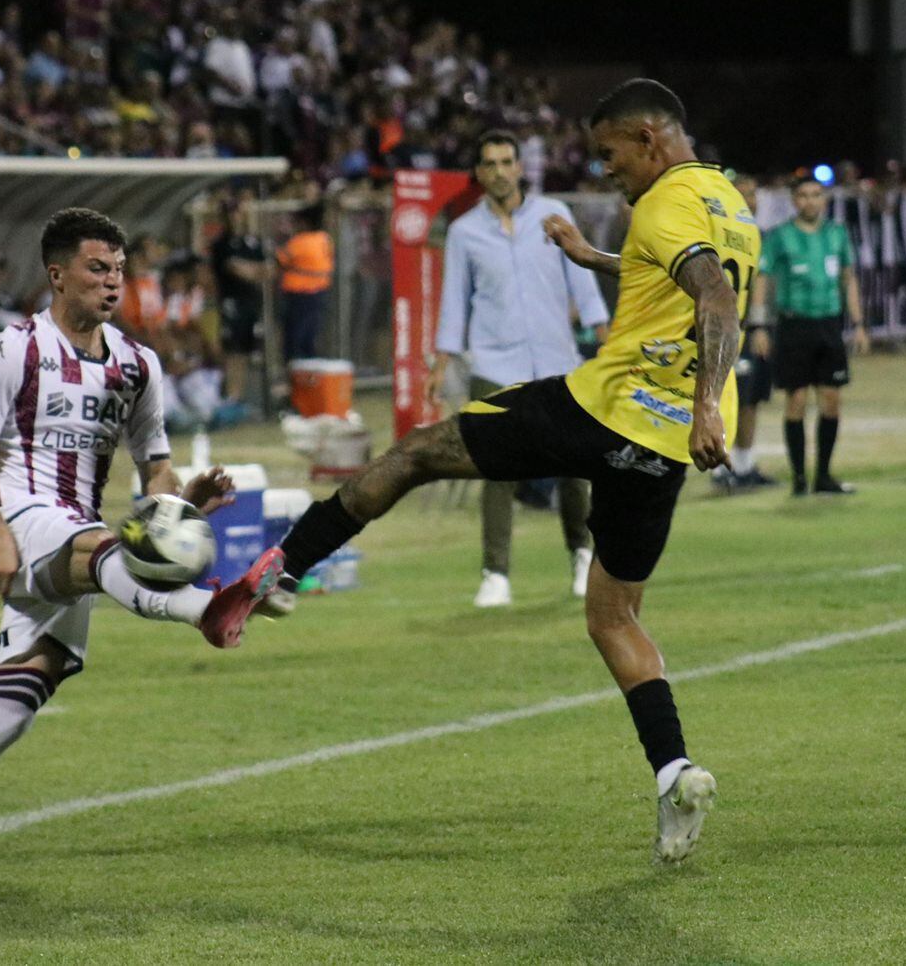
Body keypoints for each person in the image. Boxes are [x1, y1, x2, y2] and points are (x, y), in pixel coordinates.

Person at [260, 79, 753, 864]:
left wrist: (709, 409)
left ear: (648, 140)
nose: (606, 170)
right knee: (614, 618)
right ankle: (675, 773)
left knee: (418, 451)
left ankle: (283, 568)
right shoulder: (729, 202)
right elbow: (677, 275)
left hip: (606, 406)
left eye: (611, 154)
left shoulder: (661, 203)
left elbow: (714, 300)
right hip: (660, 450)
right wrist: (591, 258)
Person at [0, 207, 283, 875]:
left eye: (119, 270)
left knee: (8, 713)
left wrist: (181, 503)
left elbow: (155, 470)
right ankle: (207, 609)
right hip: (23, 521)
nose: (113, 281)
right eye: (97, 269)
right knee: (99, 547)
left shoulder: (137, 365)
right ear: (57, 275)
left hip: (78, 542)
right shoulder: (14, 349)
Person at [429, 129, 608, 607]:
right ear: (478, 172)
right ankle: (495, 574)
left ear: (520, 167)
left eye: (507, 162)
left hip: (557, 358)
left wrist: (604, 335)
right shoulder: (464, 232)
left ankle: (582, 556)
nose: (500, 172)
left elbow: (583, 279)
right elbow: (454, 302)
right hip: (493, 362)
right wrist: (441, 362)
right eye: (490, 164)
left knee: (575, 464)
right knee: (496, 468)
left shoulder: (555, 215)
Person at [751, 177, 869, 496]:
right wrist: (759, 326)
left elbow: (848, 278)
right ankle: (799, 478)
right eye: (803, 195)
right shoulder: (780, 236)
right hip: (794, 325)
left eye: (816, 195)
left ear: (824, 200)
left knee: (831, 401)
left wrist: (859, 323)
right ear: (794, 200)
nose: (810, 201)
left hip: (829, 325)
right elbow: (762, 279)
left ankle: (824, 476)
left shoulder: (837, 233)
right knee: (797, 400)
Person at [714, 173, 776, 490]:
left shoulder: (760, 235)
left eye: (753, 194)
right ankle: (720, 467)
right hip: (729, 330)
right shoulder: (719, 234)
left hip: (752, 330)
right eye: (742, 194)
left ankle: (744, 465)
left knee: (752, 398)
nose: (749, 201)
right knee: (727, 399)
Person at [209, 193, 268, 423]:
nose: (234, 217)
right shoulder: (221, 244)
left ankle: (238, 396)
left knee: (244, 351)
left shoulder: (251, 241)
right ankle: (228, 397)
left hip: (251, 303)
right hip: (230, 303)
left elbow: (267, 269)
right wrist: (253, 270)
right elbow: (235, 269)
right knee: (231, 350)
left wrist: (251, 270)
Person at [277, 203, 333, 362]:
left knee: (295, 337)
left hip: (299, 294)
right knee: (310, 334)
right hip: (318, 293)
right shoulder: (324, 238)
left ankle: (295, 369)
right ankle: (308, 367)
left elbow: (280, 260)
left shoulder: (301, 241)